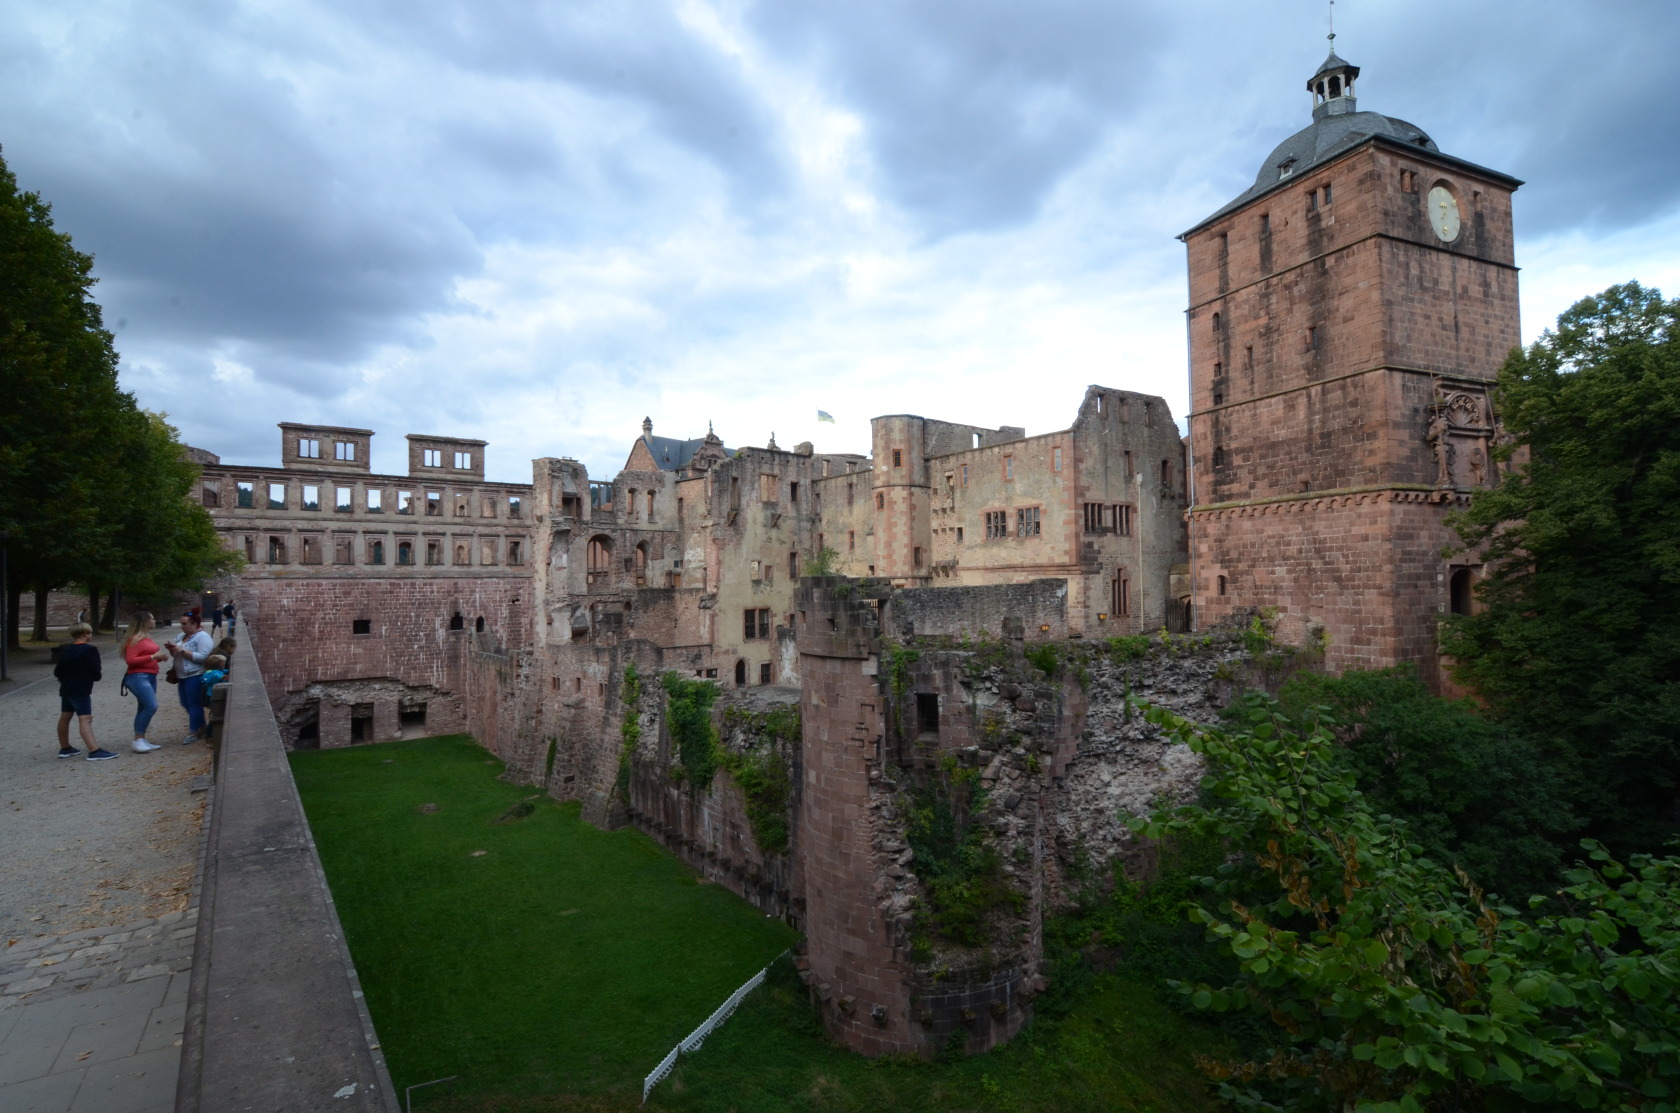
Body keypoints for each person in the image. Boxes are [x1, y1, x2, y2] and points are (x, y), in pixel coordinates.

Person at [55, 622, 116, 760]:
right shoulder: (90, 650)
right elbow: (96, 672)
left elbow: (58, 671)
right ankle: (94, 750)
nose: (91, 635)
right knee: (85, 718)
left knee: (65, 717)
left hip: (66, 688)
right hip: (81, 688)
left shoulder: (67, 650)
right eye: (90, 633)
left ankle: (65, 748)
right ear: (85, 635)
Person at [121, 610, 169, 753]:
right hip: (138, 676)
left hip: (149, 675)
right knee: (151, 705)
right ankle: (138, 739)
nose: (154, 621)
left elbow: (148, 655)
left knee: (143, 707)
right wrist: (153, 656)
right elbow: (130, 660)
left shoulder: (146, 637)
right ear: (145, 621)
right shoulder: (135, 639)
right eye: (152, 619)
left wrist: (158, 657)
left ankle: (141, 738)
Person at [167, 612, 215, 745]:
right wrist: (172, 650)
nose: (181, 626)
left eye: (184, 624)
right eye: (181, 623)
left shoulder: (202, 637)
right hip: (181, 675)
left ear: (194, 624)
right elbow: (176, 654)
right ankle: (202, 727)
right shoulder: (182, 636)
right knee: (185, 703)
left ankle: (193, 732)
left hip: (195, 674)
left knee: (194, 704)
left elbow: (203, 657)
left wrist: (181, 650)